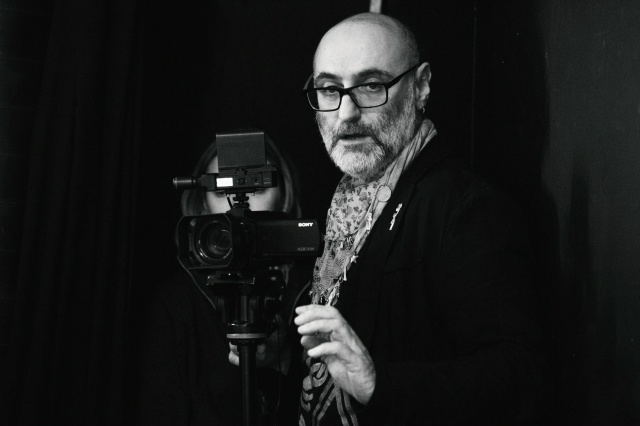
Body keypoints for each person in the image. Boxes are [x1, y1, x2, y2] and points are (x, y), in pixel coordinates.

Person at [293, 12, 545, 425]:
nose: (346, 112)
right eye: (329, 89)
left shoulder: (467, 209)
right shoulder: (343, 202)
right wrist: (280, 359)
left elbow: (518, 377)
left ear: (420, 86)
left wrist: (379, 383)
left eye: (371, 85)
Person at [136, 133, 309, 425]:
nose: (241, 205)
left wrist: (284, 357)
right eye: (221, 190)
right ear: (202, 204)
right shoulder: (178, 301)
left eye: (258, 186)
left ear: (284, 194)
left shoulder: (319, 283)